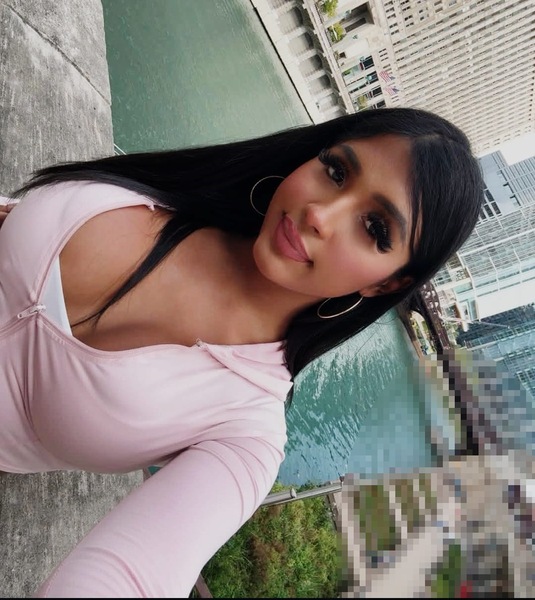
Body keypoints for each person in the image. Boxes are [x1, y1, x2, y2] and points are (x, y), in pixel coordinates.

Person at [0, 107, 484, 597]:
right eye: (336, 171)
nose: (319, 214)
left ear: (387, 284)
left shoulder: (245, 433)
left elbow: (127, 578)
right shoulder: (170, 190)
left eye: (375, 228)